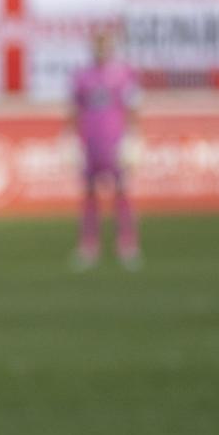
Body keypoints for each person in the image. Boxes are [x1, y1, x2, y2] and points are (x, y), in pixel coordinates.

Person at [70, 31, 140, 269]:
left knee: (122, 192)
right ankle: (89, 245)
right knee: (89, 194)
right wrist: (70, 138)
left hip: (115, 140)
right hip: (91, 141)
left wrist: (133, 137)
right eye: (97, 45)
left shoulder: (123, 74)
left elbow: (132, 107)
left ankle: (127, 244)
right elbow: (73, 109)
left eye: (104, 45)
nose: (100, 50)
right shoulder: (82, 76)